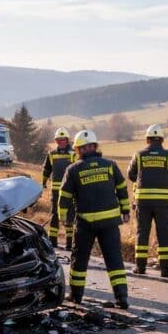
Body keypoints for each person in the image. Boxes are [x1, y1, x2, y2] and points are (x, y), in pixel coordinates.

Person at [57, 130, 130, 309]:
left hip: (85, 223)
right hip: (110, 222)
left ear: (78, 149)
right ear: (94, 147)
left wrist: (62, 217)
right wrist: (126, 210)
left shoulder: (73, 169)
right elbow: (122, 187)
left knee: (80, 260)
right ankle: (122, 298)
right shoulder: (110, 165)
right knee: (114, 259)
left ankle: (76, 296)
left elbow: (64, 196)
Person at [127, 124, 168, 276]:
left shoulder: (138, 155)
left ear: (147, 139)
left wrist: (142, 178)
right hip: (163, 202)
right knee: (164, 234)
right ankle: (165, 269)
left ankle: (140, 267)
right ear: (162, 140)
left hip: (143, 202)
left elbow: (131, 175)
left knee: (142, 233)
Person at [41, 127, 76, 249]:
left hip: (70, 191)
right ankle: (52, 242)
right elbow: (46, 170)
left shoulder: (73, 153)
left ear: (67, 140)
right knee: (54, 215)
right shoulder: (51, 154)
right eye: (58, 140)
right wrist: (43, 182)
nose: (61, 142)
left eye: (63, 139)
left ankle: (69, 244)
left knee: (70, 216)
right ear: (55, 140)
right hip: (55, 191)